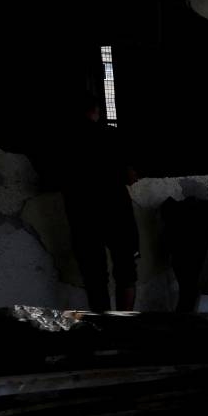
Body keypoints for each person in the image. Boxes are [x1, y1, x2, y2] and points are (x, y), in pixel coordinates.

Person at [59, 91, 140, 312]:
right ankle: (124, 324)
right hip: (116, 211)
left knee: (94, 276)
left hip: (81, 213)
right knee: (125, 271)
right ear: (96, 111)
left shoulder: (63, 141)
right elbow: (130, 178)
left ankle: (103, 326)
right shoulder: (112, 137)